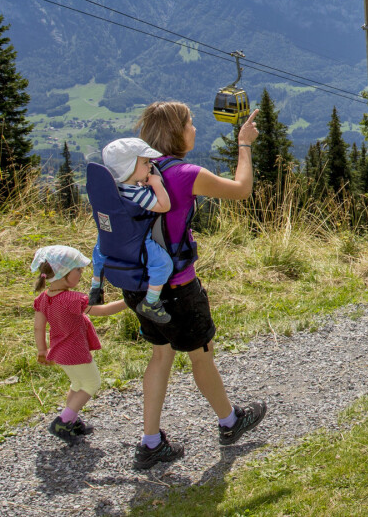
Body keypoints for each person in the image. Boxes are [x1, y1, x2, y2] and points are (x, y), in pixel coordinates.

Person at [129, 102, 268, 470]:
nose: (194, 128)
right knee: (201, 353)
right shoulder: (184, 173)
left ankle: (151, 442)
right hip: (177, 288)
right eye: (189, 123)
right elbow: (241, 189)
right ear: (176, 132)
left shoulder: (136, 170)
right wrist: (244, 144)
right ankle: (230, 421)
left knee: (160, 355)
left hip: (140, 285)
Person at [31, 245, 130, 442]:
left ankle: (72, 421)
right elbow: (103, 311)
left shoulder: (43, 299)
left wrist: (42, 349)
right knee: (92, 383)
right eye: (77, 270)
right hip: (75, 351)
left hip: (59, 352)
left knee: (77, 383)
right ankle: (62, 422)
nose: (81, 273)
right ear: (63, 273)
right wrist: (129, 301)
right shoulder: (72, 299)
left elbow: (38, 328)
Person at [92, 137, 174, 324]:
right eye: (145, 163)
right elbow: (164, 206)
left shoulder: (111, 190)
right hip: (136, 242)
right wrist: (156, 184)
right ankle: (151, 302)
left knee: (99, 252)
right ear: (127, 167)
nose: (150, 166)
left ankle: (96, 287)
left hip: (111, 239)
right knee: (163, 264)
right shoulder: (137, 193)